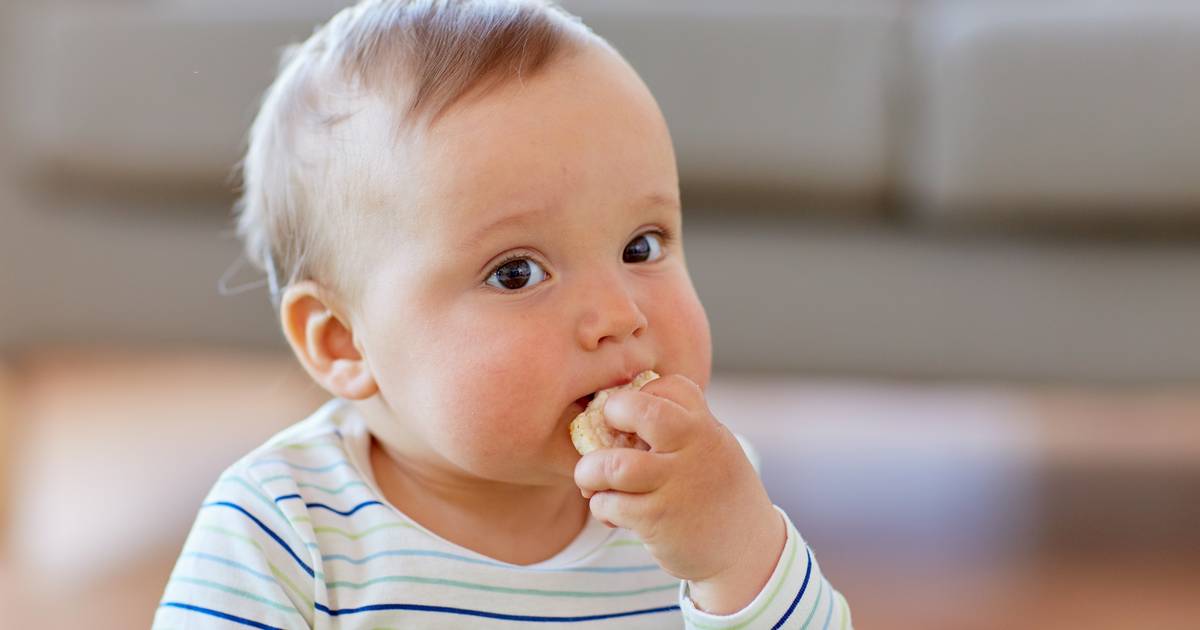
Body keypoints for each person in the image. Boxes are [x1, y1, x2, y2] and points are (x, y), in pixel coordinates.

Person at [154, 1, 851, 627]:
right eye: (516, 273)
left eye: (641, 246)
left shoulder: (699, 498)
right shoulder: (284, 530)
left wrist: (738, 558)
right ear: (345, 341)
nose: (619, 314)